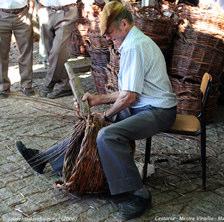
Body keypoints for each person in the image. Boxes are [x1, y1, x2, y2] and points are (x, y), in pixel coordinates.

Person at [16, 1, 177, 220]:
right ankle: (45, 158)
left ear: (123, 24)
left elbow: (129, 97)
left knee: (107, 135)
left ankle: (137, 195)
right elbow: (128, 92)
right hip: (143, 105)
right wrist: (97, 99)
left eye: (110, 32)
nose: (108, 37)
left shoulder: (134, 46)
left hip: (159, 111)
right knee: (94, 124)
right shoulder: (132, 42)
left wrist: (107, 114)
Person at [36, 0, 79, 99]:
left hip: (67, 11)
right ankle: (65, 86)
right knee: (50, 52)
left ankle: (48, 83)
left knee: (57, 52)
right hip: (45, 10)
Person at [0, 0, 35, 98]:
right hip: (1, 15)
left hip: (22, 14)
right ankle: (3, 86)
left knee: (26, 52)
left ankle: (26, 85)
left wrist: (31, 11)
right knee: (1, 54)